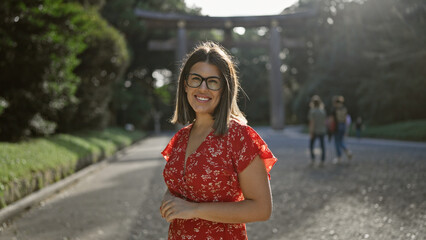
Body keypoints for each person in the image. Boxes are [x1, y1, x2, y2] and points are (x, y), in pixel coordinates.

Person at [159, 41, 277, 240]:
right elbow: (177, 189)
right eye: (196, 79)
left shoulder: (239, 136)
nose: (203, 88)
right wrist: (169, 201)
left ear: (224, 88)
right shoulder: (180, 139)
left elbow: (262, 209)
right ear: (185, 85)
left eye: (212, 81)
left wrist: (194, 210)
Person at [331, 95, 352, 163]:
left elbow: (332, 120)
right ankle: (347, 150)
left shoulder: (335, 109)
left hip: (337, 126)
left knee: (337, 142)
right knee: (341, 141)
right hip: (343, 125)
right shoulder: (344, 109)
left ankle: (339, 157)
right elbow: (346, 120)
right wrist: (346, 129)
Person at [308, 95, 327, 167]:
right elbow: (324, 122)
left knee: (311, 146)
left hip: (315, 131)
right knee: (322, 146)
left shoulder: (312, 111)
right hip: (322, 130)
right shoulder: (323, 111)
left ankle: (313, 159)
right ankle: (322, 160)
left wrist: (311, 132)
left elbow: (312, 123)